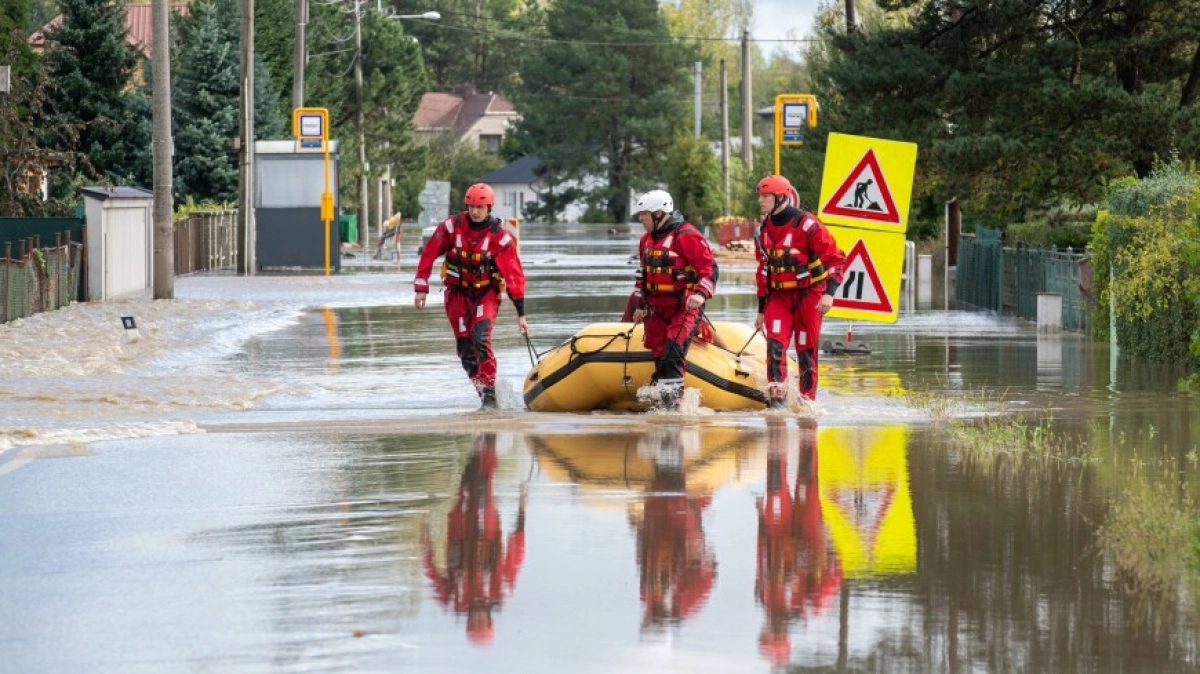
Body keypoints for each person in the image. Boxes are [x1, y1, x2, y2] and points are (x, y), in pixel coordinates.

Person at [414, 182, 528, 409]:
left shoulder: (500, 238)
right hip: (456, 294)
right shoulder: (450, 228)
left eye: (481, 207)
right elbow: (428, 254)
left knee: (480, 337)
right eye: (472, 207)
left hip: (485, 293)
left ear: (489, 208)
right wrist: (421, 287)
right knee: (465, 347)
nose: (475, 211)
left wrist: (521, 315)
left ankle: (489, 393)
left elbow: (514, 276)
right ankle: (485, 393)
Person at [421, 433, 528, 647]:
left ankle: (483, 439)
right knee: (483, 483)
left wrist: (425, 538)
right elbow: (514, 558)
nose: (478, 617)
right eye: (481, 621)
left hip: (459, 530)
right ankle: (488, 437)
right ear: (489, 619)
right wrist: (521, 516)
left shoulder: (452, 600)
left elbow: (432, 571)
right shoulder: (499, 593)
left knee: (469, 484)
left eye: (476, 622)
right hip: (487, 531)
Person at [752, 175, 846, 407]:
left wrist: (829, 293)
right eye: (760, 197)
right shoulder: (763, 231)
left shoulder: (808, 225)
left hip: (809, 296)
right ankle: (777, 403)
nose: (760, 201)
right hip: (778, 298)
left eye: (765, 197)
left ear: (781, 198)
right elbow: (764, 272)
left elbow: (836, 260)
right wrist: (761, 311)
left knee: (806, 351)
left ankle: (807, 404)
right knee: (775, 347)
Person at [629, 189, 716, 409]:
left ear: (658, 214)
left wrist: (700, 294)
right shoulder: (646, 240)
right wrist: (640, 306)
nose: (640, 219)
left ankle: (674, 405)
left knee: (672, 351)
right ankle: (666, 401)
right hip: (656, 307)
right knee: (659, 353)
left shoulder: (686, 236)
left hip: (684, 305)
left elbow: (709, 269)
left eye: (644, 215)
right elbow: (643, 276)